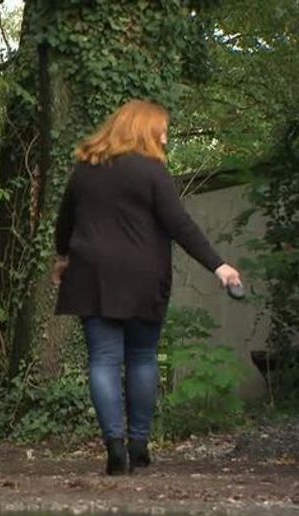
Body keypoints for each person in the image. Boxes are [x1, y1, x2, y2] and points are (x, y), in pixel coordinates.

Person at [52, 99, 242, 475]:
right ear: (145, 130)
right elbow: (179, 224)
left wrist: (63, 258)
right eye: (163, 129)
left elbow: (65, 221)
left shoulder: (85, 170)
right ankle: (139, 444)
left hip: (92, 274)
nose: (166, 137)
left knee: (103, 360)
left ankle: (115, 447)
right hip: (143, 274)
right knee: (141, 356)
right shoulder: (153, 171)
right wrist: (218, 265)